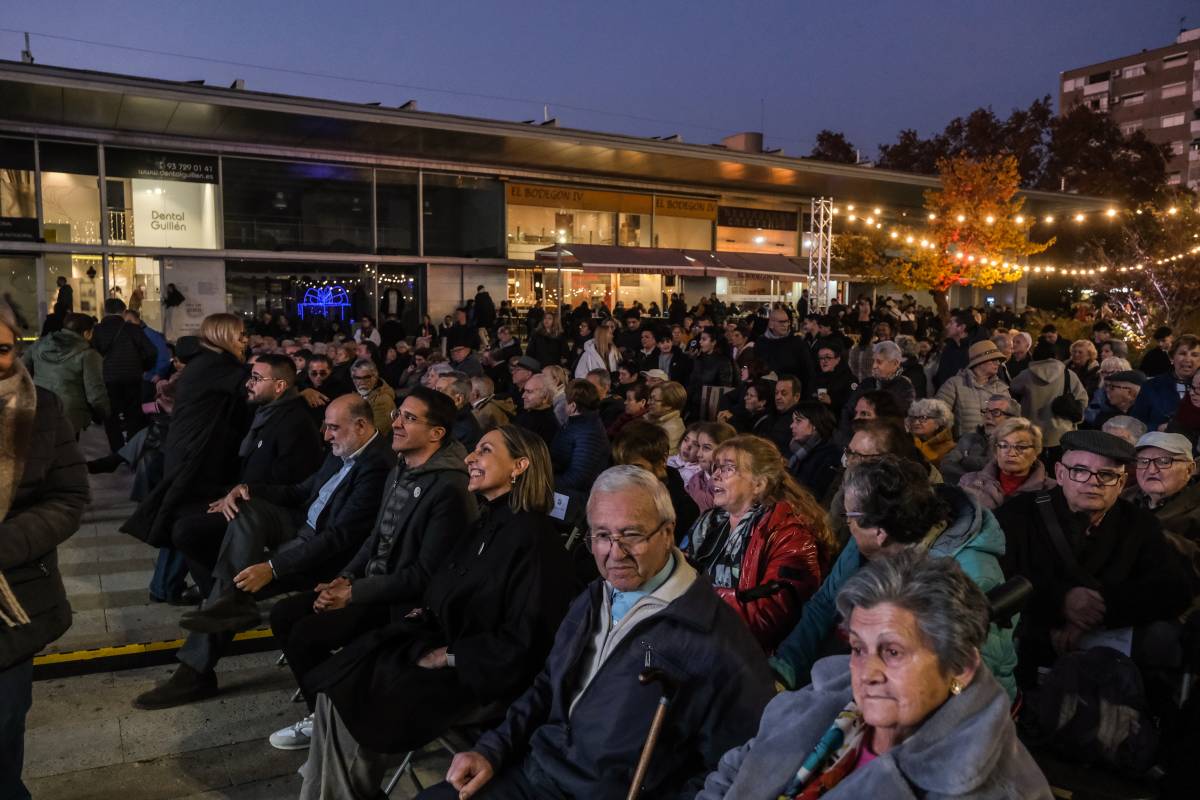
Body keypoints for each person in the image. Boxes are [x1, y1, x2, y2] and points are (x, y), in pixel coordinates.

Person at [416, 466, 775, 800]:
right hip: (534, 773)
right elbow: (546, 685)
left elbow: (732, 770)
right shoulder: (593, 597)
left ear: (668, 533)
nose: (614, 552)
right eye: (601, 535)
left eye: (631, 534)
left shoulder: (717, 642)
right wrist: (491, 749)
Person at [296, 426, 576, 797]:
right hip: (442, 649)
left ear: (519, 466)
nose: (470, 459)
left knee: (358, 699)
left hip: (482, 676)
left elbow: (526, 641)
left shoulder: (535, 541)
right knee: (339, 684)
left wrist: (449, 656)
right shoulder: (488, 521)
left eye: (485, 451)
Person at [696, 552, 1052, 800]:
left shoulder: (998, 789)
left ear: (960, 666)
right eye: (857, 648)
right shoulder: (821, 703)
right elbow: (736, 769)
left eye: (893, 652)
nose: (867, 673)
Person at [135, 393, 387, 709]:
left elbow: (339, 538)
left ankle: (196, 671)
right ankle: (232, 601)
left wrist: (272, 568)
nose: (326, 436)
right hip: (299, 525)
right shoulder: (343, 449)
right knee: (245, 509)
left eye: (333, 428)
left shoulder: (377, 466)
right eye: (325, 427)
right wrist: (248, 489)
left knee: (237, 583)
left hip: (323, 551)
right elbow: (301, 491)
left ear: (361, 425)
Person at [269, 387, 477, 748]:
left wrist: (352, 595)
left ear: (436, 433)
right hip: (371, 585)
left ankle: (332, 720)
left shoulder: (450, 489)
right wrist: (345, 576)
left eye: (409, 418)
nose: (395, 422)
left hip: (402, 604)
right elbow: (375, 537)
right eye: (398, 414)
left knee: (306, 635)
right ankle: (325, 711)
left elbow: (423, 575)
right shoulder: (401, 468)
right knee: (285, 614)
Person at [770, 455, 1017, 698]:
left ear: (879, 532)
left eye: (849, 517)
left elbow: (974, 680)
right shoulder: (868, 541)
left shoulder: (971, 573)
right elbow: (824, 604)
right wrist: (784, 669)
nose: (847, 525)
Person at [995, 430, 1193, 690]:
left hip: (1111, 648)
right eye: (1079, 470)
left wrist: (1097, 612)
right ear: (1061, 473)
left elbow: (1174, 589)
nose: (1093, 482)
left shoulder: (1139, 524)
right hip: (1030, 641)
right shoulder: (1018, 515)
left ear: (1122, 483)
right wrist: (1061, 601)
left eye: (1107, 475)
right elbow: (997, 578)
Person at [0, 301, 90, 800]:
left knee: (4, 732)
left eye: (3, 348)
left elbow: (69, 497)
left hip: (13, 605)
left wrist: (5, 544)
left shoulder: (43, 409)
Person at [121, 314, 252, 605]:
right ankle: (196, 593)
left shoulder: (207, 364)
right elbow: (253, 387)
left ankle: (165, 586)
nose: (246, 339)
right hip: (197, 459)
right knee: (189, 523)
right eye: (240, 334)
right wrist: (295, 388)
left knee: (181, 520)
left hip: (189, 454)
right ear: (222, 335)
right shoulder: (217, 366)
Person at [686, 435, 834, 652]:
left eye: (727, 469)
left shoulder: (790, 533)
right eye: (716, 467)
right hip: (700, 634)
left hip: (747, 653)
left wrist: (693, 601)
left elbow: (771, 614)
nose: (715, 475)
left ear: (758, 484)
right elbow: (680, 568)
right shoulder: (709, 521)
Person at [21, 312, 109, 437]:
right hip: (70, 414)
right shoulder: (88, 355)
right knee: (66, 451)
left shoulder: (39, 345)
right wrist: (105, 412)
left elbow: (21, 371)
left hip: (41, 406)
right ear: (86, 333)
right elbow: (95, 392)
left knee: (44, 450)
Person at [612, 420, 700, 542]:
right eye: (622, 467)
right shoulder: (611, 494)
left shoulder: (685, 511)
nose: (627, 475)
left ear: (662, 460)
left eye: (636, 468)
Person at [92, 297, 157, 453]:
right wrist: (143, 368)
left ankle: (117, 450)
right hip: (132, 378)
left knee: (111, 415)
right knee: (133, 414)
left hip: (107, 378)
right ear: (123, 312)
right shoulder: (133, 329)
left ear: (105, 311)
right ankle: (132, 450)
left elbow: (91, 355)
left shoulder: (97, 331)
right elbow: (151, 352)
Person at [1009, 339, 1088, 459]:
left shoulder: (1026, 375)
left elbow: (1013, 388)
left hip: (1032, 432)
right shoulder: (1068, 374)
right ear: (1055, 355)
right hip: (1062, 433)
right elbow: (1082, 399)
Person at [959, 416, 1055, 510]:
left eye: (1021, 447)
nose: (1011, 453)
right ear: (995, 452)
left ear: (1036, 452)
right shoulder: (968, 482)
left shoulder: (1053, 489)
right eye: (1004, 446)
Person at [934, 340, 1010, 438]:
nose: (998, 363)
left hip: (994, 448)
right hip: (963, 449)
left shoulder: (1002, 389)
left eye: (998, 360)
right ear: (979, 362)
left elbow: (1011, 421)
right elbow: (937, 417)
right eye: (993, 359)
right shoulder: (954, 384)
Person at [548, 379, 609, 497]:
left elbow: (577, 479)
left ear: (573, 406)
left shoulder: (589, 433)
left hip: (574, 498)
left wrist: (541, 483)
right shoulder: (577, 423)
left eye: (565, 400)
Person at [1131, 333, 1200, 431]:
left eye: (1194, 355)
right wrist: (1157, 428)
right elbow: (1135, 423)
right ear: (1172, 358)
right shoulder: (1151, 386)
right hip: (1157, 442)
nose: (1188, 359)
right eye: (1182, 354)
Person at [840, 341, 915, 431]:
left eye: (879, 362)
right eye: (873, 361)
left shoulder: (904, 387)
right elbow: (848, 410)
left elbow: (895, 419)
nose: (874, 366)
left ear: (895, 363)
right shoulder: (867, 383)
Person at [786, 402, 842, 501]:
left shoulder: (831, 455)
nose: (791, 425)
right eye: (792, 421)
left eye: (798, 421)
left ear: (815, 424)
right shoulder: (795, 447)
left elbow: (815, 495)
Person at [684, 421, 737, 511]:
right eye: (699, 446)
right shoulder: (695, 480)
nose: (699, 454)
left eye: (706, 448)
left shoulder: (733, 486)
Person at [688, 328, 734, 419]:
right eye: (700, 339)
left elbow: (725, 388)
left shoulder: (723, 362)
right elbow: (692, 382)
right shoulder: (698, 359)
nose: (700, 342)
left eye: (704, 339)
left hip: (711, 409)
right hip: (694, 406)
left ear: (713, 342)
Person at [435, 371, 484, 452]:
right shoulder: (443, 416)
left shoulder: (465, 430)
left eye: (439, 391)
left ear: (458, 399)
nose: (432, 395)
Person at [349, 357, 396, 436]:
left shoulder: (383, 400)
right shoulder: (356, 395)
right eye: (357, 378)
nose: (362, 382)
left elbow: (376, 433)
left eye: (366, 377)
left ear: (375, 376)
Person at [904, 397, 956, 468]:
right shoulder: (907, 440)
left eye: (923, 418)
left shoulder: (951, 448)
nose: (916, 422)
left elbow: (929, 463)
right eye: (914, 418)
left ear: (939, 421)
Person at [513, 372, 560, 448]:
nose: (523, 396)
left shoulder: (548, 424)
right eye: (524, 391)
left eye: (529, 392)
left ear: (545, 397)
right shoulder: (527, 412)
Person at [811, 343, 856, 413]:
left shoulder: (849, 379)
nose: (824, 361)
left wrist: (832, 401)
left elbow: (853, 404)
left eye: (828, 357)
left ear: (838, 359)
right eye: (821, 358)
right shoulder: (817, 378)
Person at [647, 380, 687, 454]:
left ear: (668, 405)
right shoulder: (654, 420)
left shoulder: (671, 430)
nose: (648, 402)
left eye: (654, 399)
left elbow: (657, 459)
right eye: (650, 398)